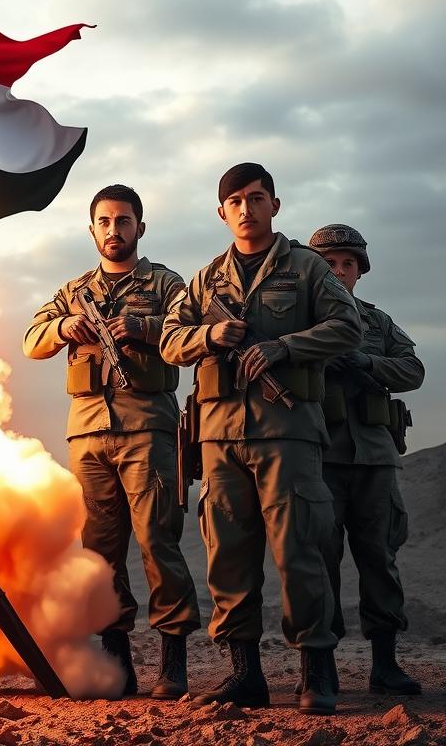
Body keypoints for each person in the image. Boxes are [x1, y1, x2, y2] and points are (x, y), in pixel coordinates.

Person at [160, 163, 363, 714]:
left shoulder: (307, 269)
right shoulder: (205, 280)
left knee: (300, 550)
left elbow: (349, 327)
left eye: (256, 198)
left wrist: (283, 348)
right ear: (221, 212)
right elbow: (169, 342)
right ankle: (244, 674)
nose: (246, 210)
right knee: (227, 555)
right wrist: (209, 334)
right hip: (219, 437)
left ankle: (316, 674)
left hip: (288, 433)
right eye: (235, 201)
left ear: (275, 204)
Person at [23, 185, 200, 698]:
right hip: (88, 433)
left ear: (139, 228)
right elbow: (32, 342)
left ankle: (173, 658)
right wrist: (64, 325)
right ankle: (115, 654)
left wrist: (142, 328)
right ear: (93, 229)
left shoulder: (166, 285)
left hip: (147, 428)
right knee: (100, 551)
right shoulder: (74, 290)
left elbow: (187, 335)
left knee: (157, 540)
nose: (114, 230)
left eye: (124, 221)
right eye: (104, 221)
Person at [308, 223, 424, 695]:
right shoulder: (302, 318)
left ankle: (385, 663)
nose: (339, 271)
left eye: (347, 264)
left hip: (375, 458)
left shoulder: (377, 323)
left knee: (379, 557)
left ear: (360, 271)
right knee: (321, 560)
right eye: (329, 264)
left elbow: (413, 368)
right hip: (320, 457)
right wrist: (319, 359)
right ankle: (322, 665)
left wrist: (368, 364)